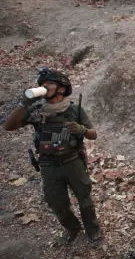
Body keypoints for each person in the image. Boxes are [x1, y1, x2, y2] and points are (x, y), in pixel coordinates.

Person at [3, 67, 101, 244]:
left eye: (49, 83)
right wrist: (24, 104)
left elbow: (93, 134)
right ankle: (73, 228)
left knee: (85, 200)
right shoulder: (37, 110)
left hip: (72, 162)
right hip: (49, 165)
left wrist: (82, 130)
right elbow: (8, 126)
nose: (44, 86)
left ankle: (93, 230)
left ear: (61, 89)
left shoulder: (74, 110)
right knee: (57, 204)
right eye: (42, 84)